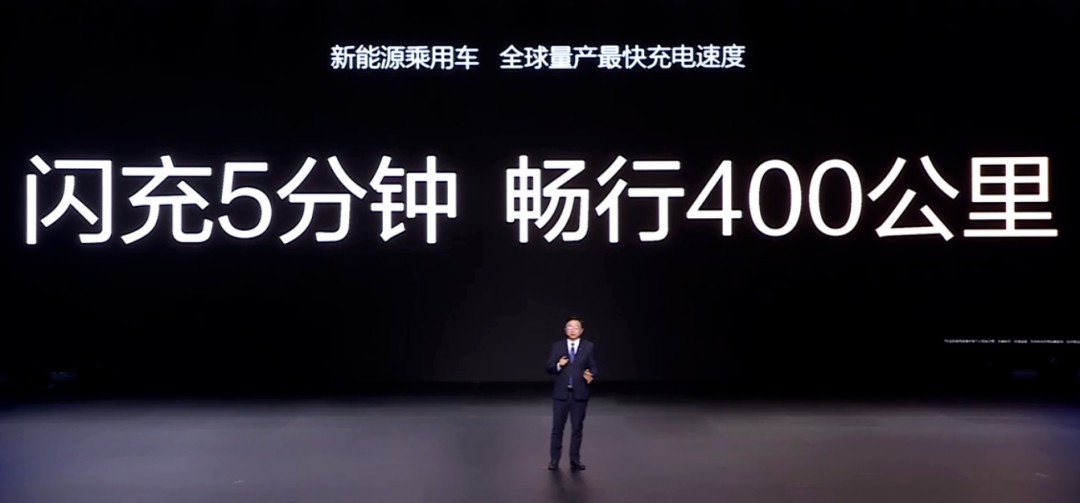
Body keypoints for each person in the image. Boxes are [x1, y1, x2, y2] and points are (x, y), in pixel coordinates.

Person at [545, 316, 597, 470]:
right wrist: (558, 365)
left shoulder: (588, 347)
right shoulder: (557, 346)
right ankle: (554, 460)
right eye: (570, 327)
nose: (573, 330)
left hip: (579, 394)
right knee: (557, 428)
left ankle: (575, 459)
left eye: (576, 327)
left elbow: (593, 366)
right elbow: (549, 368)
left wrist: (591, 374)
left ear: (581, 330)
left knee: (577, 428)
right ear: (565, 330)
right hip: (561, 394)